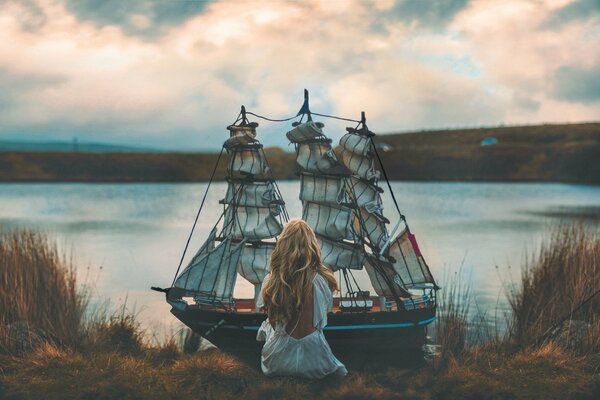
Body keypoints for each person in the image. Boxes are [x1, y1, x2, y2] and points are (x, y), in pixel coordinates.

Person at [256, 219, 348, 378]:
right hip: (314, 358)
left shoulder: (271, 281)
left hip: (279, 360)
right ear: (311, 245)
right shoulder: (321, 281)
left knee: (266, 328)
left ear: (283, 245)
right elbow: (321, 322)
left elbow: (272, 321)